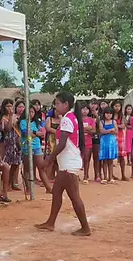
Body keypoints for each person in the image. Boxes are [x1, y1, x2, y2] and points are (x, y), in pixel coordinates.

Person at [35, 91, 91, 236]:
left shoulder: (67, 119)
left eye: (58, 103)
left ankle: (85, 228)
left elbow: (62, 144)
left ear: (66, 104)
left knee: (74, 197)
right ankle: (50, 222)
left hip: (68, 163)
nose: (56, 106)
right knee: (57, 192)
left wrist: (48, 160)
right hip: (68, 161)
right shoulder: (71, 117)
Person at [20, 105, 52, 195]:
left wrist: (34, 133)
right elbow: (26, 133)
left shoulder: (36, 122)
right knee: (27, 169)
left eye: (32, 112)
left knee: (41, 167)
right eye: (29, 112)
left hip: (36, 146)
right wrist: (36, 133)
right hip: (26, 146)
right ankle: (28, 189)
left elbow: (42, 133)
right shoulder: (23, 122)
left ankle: (48, 188)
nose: (31, 114)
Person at [98, 107, 118, 184]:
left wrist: (107, 131)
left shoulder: (114, 121)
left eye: (110, 113)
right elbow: (101, 131)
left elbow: (116, 131)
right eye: (107, 113)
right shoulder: (102, 122)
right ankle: (105, 177)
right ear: (104, 114)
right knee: (104, 161)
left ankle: (110, 177)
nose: (108, 115)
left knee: (110, 161)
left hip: (112, 142)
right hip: (104, 142)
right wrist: (110, 130)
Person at [111, 100, 127, 181]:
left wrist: (115, 126)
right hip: (112, 136)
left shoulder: (122, 116)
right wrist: (118, 126)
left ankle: (123, 174)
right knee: (111, 156)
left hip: (120, 137)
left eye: (119, 106)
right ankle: (111, 174)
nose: (117, 108)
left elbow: (124, 125)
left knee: (121, 156)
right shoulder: (110, 115)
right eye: (116, 106)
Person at [80, 102, 96, 184]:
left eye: (86, 109)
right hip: (78, 142)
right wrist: (87, 129)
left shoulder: (91, 120)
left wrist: (84, 129)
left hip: (88, 141)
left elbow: (93, 130)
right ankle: (76, 175)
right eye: (83, 109)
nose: (85, 111)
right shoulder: (77, 119)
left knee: (87, 159)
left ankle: (85, 175)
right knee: (78, 159)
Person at [88, 99, 102, 182]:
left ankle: (97, 174)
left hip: (97, 137)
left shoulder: (100, 115)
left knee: (97, 157)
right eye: (91, 104)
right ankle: (86, 175)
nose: (93, 105)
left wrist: (96, 116)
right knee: (86, 157)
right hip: (88, 137)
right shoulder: (87, 114)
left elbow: (101, 125)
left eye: (95, 104)